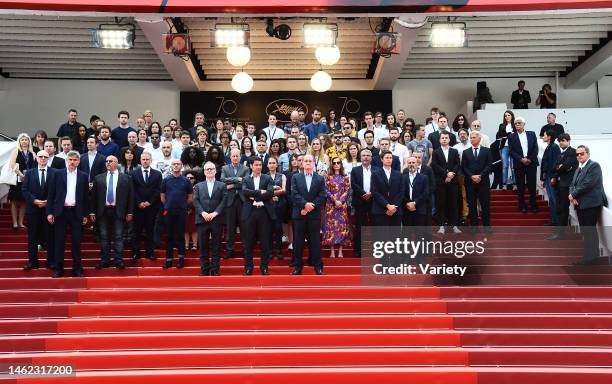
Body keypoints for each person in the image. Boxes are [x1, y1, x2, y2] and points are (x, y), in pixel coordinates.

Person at [46, 151, 89, 278]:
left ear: (78, 161)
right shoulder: (57, 174)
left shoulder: (83, 176)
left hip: (76, 212)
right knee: (59, 242)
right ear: (66, 161)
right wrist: (49, 212)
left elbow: (86, 197)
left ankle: (77, 269)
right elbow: (51, 194)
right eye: (70, 159)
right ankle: (58, 269)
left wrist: (85, 214)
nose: (72, 162)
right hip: (61, 212)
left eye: (75, 160)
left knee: (76, 242)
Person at [90, 155, 134, 270]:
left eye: (110, 161)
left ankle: (119, 261)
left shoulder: (126, 178)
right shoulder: (98, 178)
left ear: (117, 163)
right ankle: (104, 261)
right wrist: (92, 212)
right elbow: (93, 197)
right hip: (103, 211)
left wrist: (130, 212)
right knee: (104, 237)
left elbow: (130, 196)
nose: (108, 163)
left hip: (119, 211)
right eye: (106, 161)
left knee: (119, 237)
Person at [569, 145, 608, 265]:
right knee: (586, 231)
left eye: (582, 153)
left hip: (591, 204)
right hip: (580, 204)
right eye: (577, 154)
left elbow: (588, 184)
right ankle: (590, 256)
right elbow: (572, 184)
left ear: (588, 154)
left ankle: (590, 258)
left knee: (589, 231)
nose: (579, 156)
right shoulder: (578, 168)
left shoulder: (594, 166)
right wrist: (573, 195)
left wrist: (573, 194)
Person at [290, 154, 326, 275]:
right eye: (306, 161)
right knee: (298, 241)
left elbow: (322, 196)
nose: (308, 163)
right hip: (299, 214)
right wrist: (305, 205)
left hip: (314, 214)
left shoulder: (320, 179)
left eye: (310, 161)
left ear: (314, 162)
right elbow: (294, 194)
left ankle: (318, 267)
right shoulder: (295, 177)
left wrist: (311, 207)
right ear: (302, 163)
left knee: (315, 241)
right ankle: (297, 267)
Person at [22, 150, 56, 271]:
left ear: (48, 159)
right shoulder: (29, 173)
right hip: (33, 209)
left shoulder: (54, 173)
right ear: (36, 158)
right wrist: (35, 201)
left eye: (45, 157)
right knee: (32, 237)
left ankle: (51, 261)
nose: (42, 159)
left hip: (49, 210)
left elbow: (58, 190)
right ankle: (32, 262)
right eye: (40, 156)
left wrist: (48, 202)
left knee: (50, 236)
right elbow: (25, 190)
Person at [241, 157, 276, 275]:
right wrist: (261, 192)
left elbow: (270, 193)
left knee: (265, 242)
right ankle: (248, 267)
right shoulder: (246, 179)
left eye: (260, 165)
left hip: (264, 212)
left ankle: (264, 267)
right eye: (256, 165)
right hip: (250, 212)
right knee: (248, 242)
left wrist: (254, 196)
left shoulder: (267, 178)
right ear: (251, 166)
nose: (259, 167)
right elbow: (245, 192)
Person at [193, 162, 227, 276]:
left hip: (216, 219)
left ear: (215, 171)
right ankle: (204, 269)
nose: (209, 171)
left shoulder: (222, 185)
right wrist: (203, 213)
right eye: (207, 169)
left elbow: (224, 201)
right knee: (203, 246)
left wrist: (215, 213)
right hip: (202, 219)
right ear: (204, 171)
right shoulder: (198, 186)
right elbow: (195, 201)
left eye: (211, 169)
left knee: (216, 245)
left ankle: (215, 270)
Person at [160, 159, 193, 269]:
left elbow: (190, 197)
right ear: (171, 166)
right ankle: (168, 260)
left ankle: (181, 259)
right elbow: (162, 197)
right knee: (169, 236)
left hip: (182, 211)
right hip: (169, 211)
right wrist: (169, 205)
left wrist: (182, 205)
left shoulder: (186, 181)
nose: (176, 166)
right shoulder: (166, 180)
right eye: (174, 164)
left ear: (181, 166)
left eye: (178, 164)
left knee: (180, 235)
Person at [131, 151, 162, 261]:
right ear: (140, 160)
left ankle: (150, 253)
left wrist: (150, 202)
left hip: (151, 208)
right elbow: (132, 190)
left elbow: (159, 190)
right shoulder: (134, 173)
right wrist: (139, 202)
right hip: (137, 208)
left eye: (147, 159)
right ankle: (136, 253)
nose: (145, 161)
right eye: (143, 159)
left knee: (150, 231)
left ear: (151, 160)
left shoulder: (157, 174)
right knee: (136, 231)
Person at [547, 133, 578, 240]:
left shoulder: (572, 151)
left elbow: (566, 166)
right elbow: (554, 167)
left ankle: (561, 234)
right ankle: (560, 233)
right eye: (559, 141)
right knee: (559, 208)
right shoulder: (561, 154)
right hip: (560, 184)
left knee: (563, 208)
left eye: (563, 140)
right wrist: (559, 167)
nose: (561, 142)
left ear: (569, 141)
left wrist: (560, 167)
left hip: (567, 185)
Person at [220, 149, 250, 258]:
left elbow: (246, 182)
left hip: (242, 201)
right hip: (230, 201)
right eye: (233, 156)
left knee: (244, 227)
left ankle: (246, 250)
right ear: (230, 157)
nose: (235, 158)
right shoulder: (224, 168)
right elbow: (222, 180)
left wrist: (232, 184)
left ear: (240, 157)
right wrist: (238, 179)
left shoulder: (246, 168)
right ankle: (229, 250)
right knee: (230, 227)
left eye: (237, 156)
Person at [461, 131, 493, 232]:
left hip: (483, 182)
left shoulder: (487, 151)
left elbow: (489, 165)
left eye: (474, 137)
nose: (471, 139)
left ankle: (487, 226)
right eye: (471, 138)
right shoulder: (466, 152)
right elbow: (464, 167)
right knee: (472, 204)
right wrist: (471, 176)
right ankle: (474, 227)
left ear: (479, 139)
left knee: (485, 204)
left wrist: (480, 175)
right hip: (470, 183)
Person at [431, 131, 461, 234]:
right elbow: (434, 165)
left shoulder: (454, 151)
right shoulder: (435, 152)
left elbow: (457, 164)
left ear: (449, 139)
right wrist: (446, 174)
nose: (444, 139)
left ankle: (455, 226)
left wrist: (451, 174)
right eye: (442, 138)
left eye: (446, 138)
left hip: (453, 181)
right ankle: (441, 226)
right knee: (441, 204)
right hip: (440, 181)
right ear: (439, 140)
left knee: (453, 204)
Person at [508, 117, 539, 213]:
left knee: (532, 185)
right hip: (519, 164)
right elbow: (511, 151)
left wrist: (529, 159)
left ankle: (533, 205)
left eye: (519, 123)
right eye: (515, 123)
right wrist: (521, 159)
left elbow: (535, 148)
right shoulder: (511, 136)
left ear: (524, 124)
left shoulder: (532, 134)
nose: (517, 124)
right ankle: (522, 205)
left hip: (531, 163)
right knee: (520, 186)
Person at [402, 156, 430, 262]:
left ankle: (420, 258)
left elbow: (426, 193)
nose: (411, 164)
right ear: (407, 164)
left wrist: (415, 203)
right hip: (406, 210)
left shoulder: (423, 177)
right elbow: (400, 193)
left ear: (417, 164)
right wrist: (407, 203)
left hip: (419, 210)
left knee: (419, 235)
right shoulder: (403, 177)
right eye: (409, 162)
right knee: (406, 235)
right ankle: (406, 259)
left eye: (413, 162)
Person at [351, 149, 377, 258]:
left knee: (375, 227)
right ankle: (358, 251)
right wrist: (363, 194)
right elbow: (354, 184)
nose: (365, 157)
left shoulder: (377, 170)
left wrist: (371, 193)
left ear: (371, 157)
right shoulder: (355, 170)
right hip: (360, 202)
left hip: (374, 201)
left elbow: (379, 184)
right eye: (363, 155)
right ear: (360, 157)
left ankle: (376, 250)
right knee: (359, 226)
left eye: (368, 155)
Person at [322, 157, 351, 258]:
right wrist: (335, 200)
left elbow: (347, 190)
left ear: (341, 164)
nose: (336, 164)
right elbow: (326, 190)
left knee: (342, 227)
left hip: (342, 205)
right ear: (332, 164)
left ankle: (340, 251)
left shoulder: (345, 177)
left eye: (338, 162)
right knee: (331, 228)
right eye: (334, 163)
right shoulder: (328, 177)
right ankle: (332, 251)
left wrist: (341, 201)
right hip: (331, 205)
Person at [7, 133, 35, 229]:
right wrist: (21, 174)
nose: (24, 141)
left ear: (29, 141)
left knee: (24, 201)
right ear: (19, 141)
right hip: (17, 179)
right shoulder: (16, 151)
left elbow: (35, 166)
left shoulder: (32, 153)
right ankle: (15, 223)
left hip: (28, 180)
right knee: (14, 201)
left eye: (26, 139)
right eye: (22, 139)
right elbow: (12, 164)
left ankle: (21, 222)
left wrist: (28, 176)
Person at [371, 150, 404, 226]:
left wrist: (394, 206)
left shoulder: (398, 174)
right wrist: (387, 205)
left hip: (396, 210)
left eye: (390, 158)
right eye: (387, 158)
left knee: (395, 236)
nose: (389, 159)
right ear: (382, 159)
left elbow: (401, 191)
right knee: (382, 236)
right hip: (381, 209)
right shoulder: (375, 174)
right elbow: (375, 191)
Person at [267, 156, 287, 260]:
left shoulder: (282, 175)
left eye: (273, 163)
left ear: (277, 164)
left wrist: (270, 191)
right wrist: (274, 190)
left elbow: (284, 190)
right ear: (267, 165)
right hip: (268, 207)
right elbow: (262, 191)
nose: (272, 165)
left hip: (279, 206)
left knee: (278, 229)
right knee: (269, 229)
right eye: (270, 163)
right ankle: (270, 251)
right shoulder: (264, 176)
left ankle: (279, 251)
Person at [540, 129, 561, 225]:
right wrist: (543, 178)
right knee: (552, 201)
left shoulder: (555, 147)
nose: (543, 137)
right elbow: (545, 163)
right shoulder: (549, 147)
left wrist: (554, 177)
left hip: (552, 177)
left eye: (544, 135)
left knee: (555, 201)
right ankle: (553, 221)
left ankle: (557, 223)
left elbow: (556, 163)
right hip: (548, 177)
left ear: (549, 137)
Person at [496, 110, 516, 190]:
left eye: (508, 115)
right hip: (504, 147)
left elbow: (517, 136)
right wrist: (508, 135)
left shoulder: (515, 125)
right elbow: (498, 136)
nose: (507, 117)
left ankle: (515, 184)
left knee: (513, 166)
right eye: (505, 115)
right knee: (505, 166)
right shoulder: (502, 125)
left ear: (512, 116)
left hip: (514, 147)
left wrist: (507, 135)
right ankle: (504, 184)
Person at [184, 170, 199, 251]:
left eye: (191, 178)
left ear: (194, 179)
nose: (189, 179)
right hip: (184, 210)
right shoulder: (182, 186)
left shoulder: (197, 187)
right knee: (185, 228)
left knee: (194, 228)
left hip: (195, 210)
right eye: (187, 177)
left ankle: (195, 245)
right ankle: (186, 245)